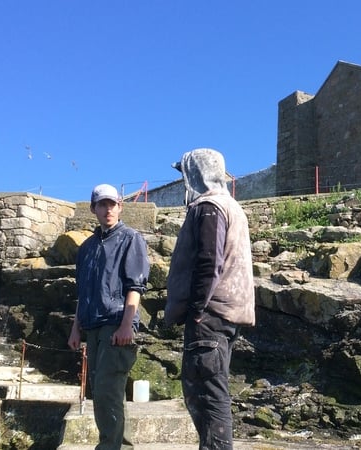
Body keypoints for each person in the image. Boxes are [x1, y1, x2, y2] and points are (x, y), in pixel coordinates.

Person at [165, 148, 256, 450]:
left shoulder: (208, 207)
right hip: (226, 314)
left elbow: (208, 261)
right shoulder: (232, 207)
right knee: (213, 394)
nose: (184, 180)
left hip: (210, 317)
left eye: (185, 173)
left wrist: (196, 310)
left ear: (196, 173)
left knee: (207, 397)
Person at [68, 183, 150, 450]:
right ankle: (119, 446)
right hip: (91, 327)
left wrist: (127, 325)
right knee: (106, 393)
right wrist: (75, 328)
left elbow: (135, 286)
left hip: (116, 326)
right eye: (102, 204)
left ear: (120, 207)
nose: (108, 209)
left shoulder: (130, 238)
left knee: (106, 391)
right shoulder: (87, 248)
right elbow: (83, 292)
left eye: (112, 204)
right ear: (93, 209)